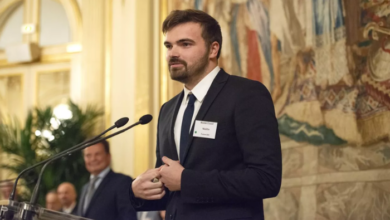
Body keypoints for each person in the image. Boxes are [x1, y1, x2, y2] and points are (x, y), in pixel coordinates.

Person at [130, 9, 282, 220]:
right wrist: (137, 192)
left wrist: (186, 180)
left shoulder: (245, 95)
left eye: (185, 44)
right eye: (169, 45)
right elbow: (169, 187)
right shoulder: (167, 109)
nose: (173, 53)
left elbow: (266, 179)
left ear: (213, 49)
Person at [77, 140, 137, 220]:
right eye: (88, 155)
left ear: (108, 156)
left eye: (97, 154)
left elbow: (128, 217)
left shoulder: (122, 182)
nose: (93, 159)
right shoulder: (84, 188)